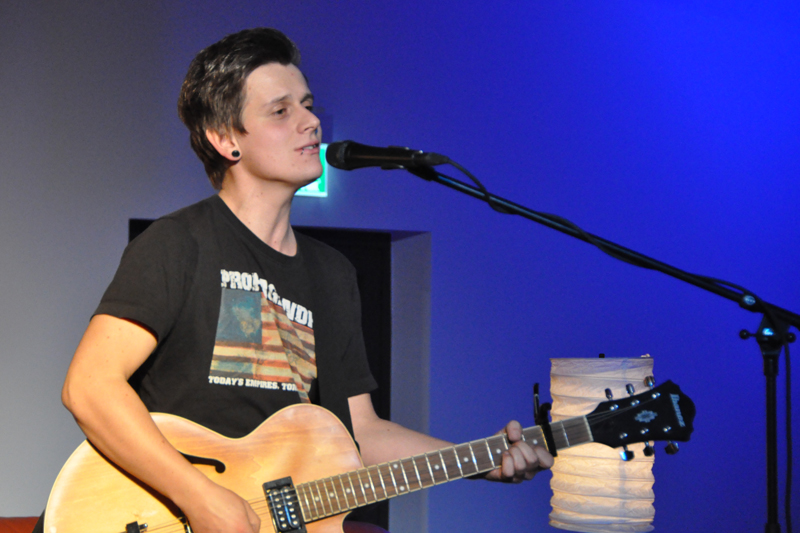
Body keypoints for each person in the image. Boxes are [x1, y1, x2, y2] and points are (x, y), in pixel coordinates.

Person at [50, 28, 553, 533]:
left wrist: (480, 460)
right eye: (280, 110)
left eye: (308, 106)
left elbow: (361, 433)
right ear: (226, 140)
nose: (311, 121)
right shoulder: (178, 243)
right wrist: (199, 497)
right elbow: (89, 387)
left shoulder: (331, 273)